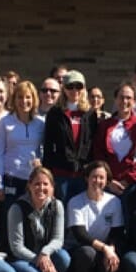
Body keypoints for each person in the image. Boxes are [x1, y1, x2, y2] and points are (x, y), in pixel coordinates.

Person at [64, 161, 125, 272]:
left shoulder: (114, 202)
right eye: (94, 177)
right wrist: (105, 249)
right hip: (80, 248)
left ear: (107, 181)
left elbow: (117, 232)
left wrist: (111, 250)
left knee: (115, 259)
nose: (97, 181)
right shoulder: (75, 202)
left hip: (104, 248)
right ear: (86, 178)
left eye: (101, 178)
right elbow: (80, 235)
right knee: (87, 253)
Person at [6, 167, 70, 272]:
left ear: (52, 187)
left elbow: (58, 239)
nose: (41, 188)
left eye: (45, 184)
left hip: (44, 255)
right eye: (37, 184)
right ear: (29, 186)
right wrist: (40, 260)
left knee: (64, 258)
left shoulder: (57, 205)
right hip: (23, 258)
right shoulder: (17, 208)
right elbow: (17, 247)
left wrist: (45, 253)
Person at [43, 70, 98, 203]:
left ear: (84, 88)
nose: (74, 90)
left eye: (78, 86)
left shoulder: (90, 114)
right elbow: (48, 145)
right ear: (64, 89)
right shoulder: (55, 113)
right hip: (61, 174)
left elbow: (92, 143)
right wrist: (49, 174)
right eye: (70, 86)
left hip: (83, 175)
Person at [93, 82, 136, 196]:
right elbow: (98, 154)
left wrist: (128, 180)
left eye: (129, 98)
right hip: (108, 184)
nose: (124, 101)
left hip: (134, 185)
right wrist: (109, 180)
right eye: (121, 97)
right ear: (115, 99)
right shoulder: (104, 126)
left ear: (134, 102)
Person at [0, 81, 45, 203]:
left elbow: (45, 149)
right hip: (11, 178)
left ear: (34, 99)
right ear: (14, 99)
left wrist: (41, 160)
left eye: (28, 97)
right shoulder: (5, 123)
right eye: (20, 97)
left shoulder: (40, 123)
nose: (24, 101)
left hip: (33, 180)